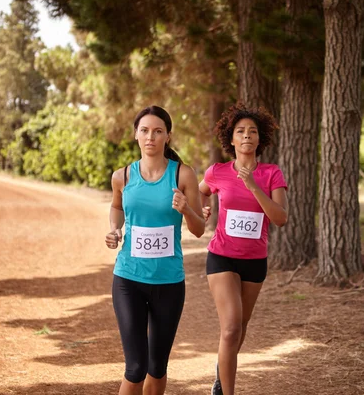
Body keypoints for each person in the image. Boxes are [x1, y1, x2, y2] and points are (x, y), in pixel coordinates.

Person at [105, 105, 205, 395]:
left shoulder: (183, 175)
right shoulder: (121, 176)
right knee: (135, 368)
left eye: (158, 131)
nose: (151, 136)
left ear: (167, 136)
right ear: (136, 135)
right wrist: (115, 229)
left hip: (169, 282)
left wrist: (186, 209)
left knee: (157, 367)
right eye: (145, 130)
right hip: (128, 279)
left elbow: (199, 229)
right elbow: (115, 206)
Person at [199, 103, 288, 395]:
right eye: (240, 131)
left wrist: (253, 186)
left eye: (252, 131)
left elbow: (280, 218)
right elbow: (200, 190)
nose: (247, 135)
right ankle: (226, 392)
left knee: (241, 326)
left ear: (259, 139)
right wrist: (203, 206)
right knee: (231, 328)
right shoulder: (217, 172)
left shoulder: (272, 173)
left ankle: (220, 374)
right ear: (232, 139)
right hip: (222, 256)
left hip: (255, 261)